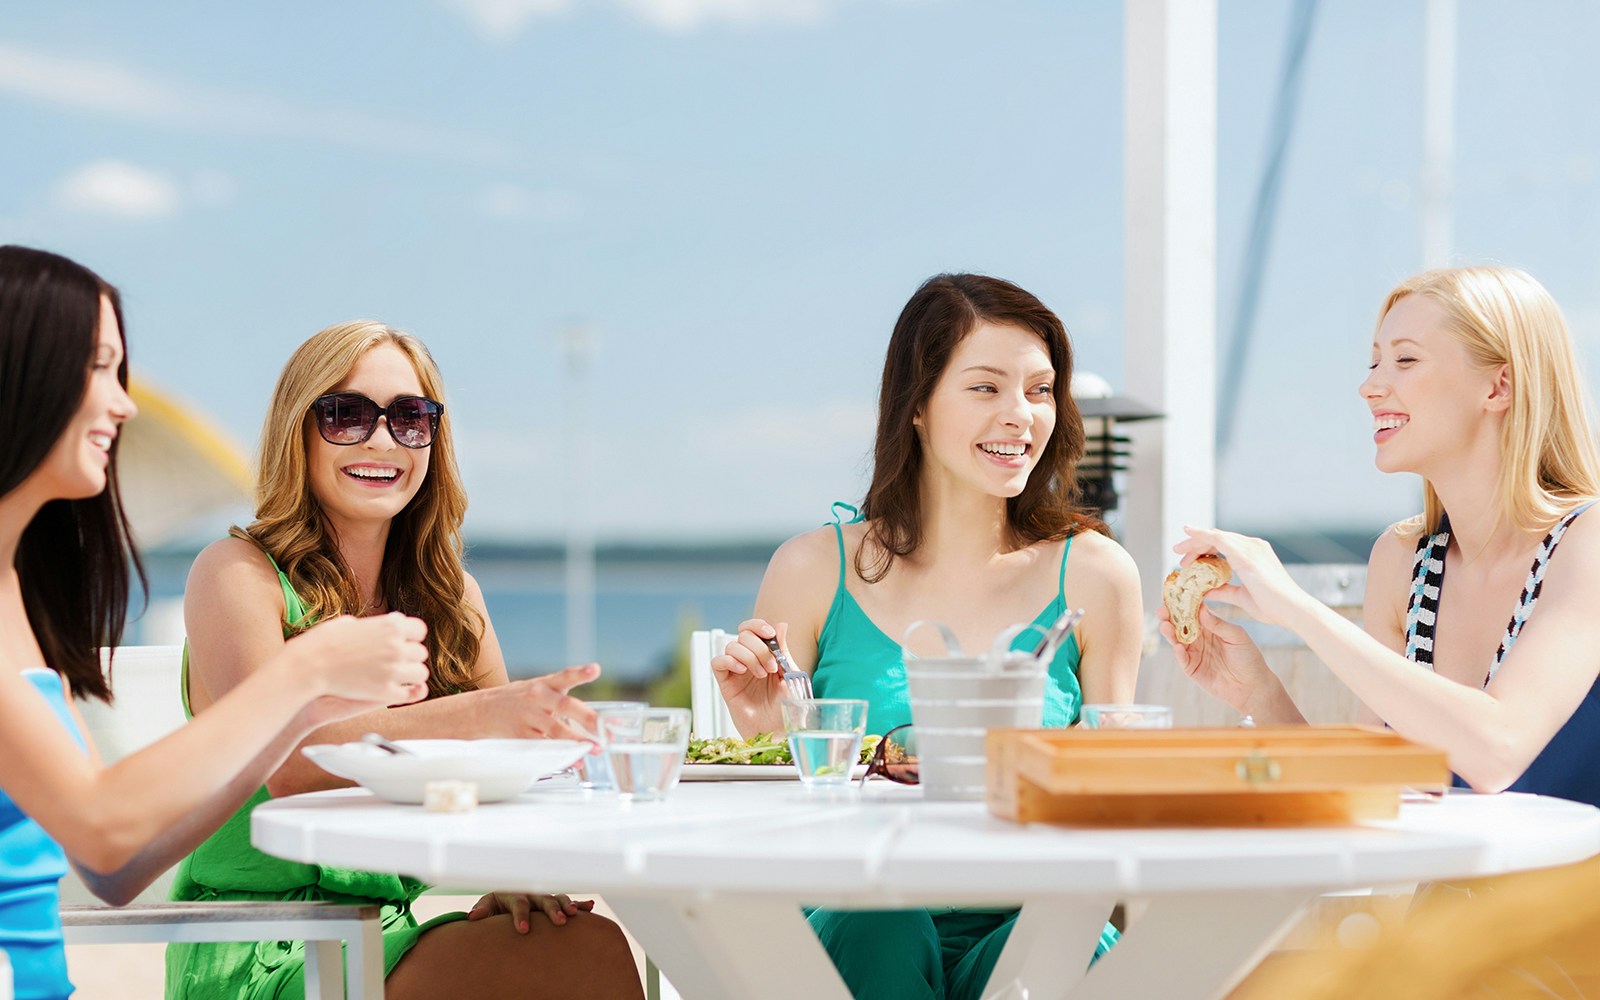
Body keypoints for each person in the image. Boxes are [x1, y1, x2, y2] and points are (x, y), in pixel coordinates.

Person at [0, 245, 431, 1000]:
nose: (123, 402)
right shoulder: (235, 572)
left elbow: (115, 868)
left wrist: (294, 718)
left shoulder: (20, 597)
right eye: (97, 365)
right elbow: (102, 829)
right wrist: (306, 672)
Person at [170, 321, 643, 999]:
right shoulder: (237, 574)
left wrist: (515, 873)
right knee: (583, 961)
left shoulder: (451, 597)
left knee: (579, 938)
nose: (382, 439)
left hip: (383, 933)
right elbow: (291, 767)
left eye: (410, 418)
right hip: (258, 944)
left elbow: (509, 769)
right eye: (346, 415)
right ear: (295, 430)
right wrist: (482, 712)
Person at [712, 273, 1144, 1000]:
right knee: (885, 924)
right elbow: (782, 811)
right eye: (985, 388)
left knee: (1077, 945)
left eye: (1040, 391)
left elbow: (1113, 789)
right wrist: (764, 730)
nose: (1021, 416)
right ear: (916, 404)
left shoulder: (1098, 575)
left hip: (1029, 925)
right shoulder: (815, 568)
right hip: (855, 927)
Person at [1166, 265, 1600, 807]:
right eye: (1375, 361)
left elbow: (1496, 749)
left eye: (1405, 359)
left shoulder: (1587, 542)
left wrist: (1297, 607)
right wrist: (1260, 694)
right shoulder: (1402, 561)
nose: (1370, 386)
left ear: (1498, 385)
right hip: (1441, 895)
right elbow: (1368, 797)